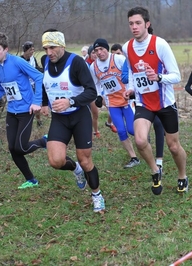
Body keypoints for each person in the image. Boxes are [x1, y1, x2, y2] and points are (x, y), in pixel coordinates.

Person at [122, 6, 188, 195]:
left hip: (165, 103)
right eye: (131, 24)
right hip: (144, 103)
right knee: (141, 140)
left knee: (174, 147)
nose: (134, 27)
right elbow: (133, 73)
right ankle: (155, 170)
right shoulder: (127, 47)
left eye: (138, 23)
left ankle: (182, 175)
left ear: (147, 24)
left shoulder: (160, 45)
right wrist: (131, 89)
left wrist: (159, 77)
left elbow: (176, 76)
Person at [40, 29, 105, 212]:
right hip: (59, 119)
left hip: (79, 116)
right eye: (45, 48)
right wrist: (44, 103)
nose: (49, 52)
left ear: (62, 45)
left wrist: (70, 101)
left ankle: (97, 195)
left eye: (52, 47)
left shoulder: (76, 62)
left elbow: (91, 91)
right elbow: (45, 83)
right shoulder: (45, 61)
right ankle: (76, 170)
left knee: (85, 161)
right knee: (56, 161)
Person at [0, 32, 47, 190]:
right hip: (11, 111)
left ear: (6, 49)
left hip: (26, 110)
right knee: (12, 148)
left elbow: (39, 77)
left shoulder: (18, 61)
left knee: (21, 147)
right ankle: (31, 180)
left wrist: (37, 101)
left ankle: (44, 141)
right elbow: (0, 89)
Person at [90, 38, 140, 168]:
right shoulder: (93, 66)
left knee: (132, 130)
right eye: (96, 51)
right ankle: (133, 157)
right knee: (121, 131)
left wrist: (131, 90)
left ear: (107, 48)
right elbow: (96, 84)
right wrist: (99, 96)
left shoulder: (118, 59)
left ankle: (145, 141)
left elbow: (130, 74)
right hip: (112, 103)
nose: (99, 52)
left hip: (127, 100)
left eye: (101, 49)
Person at [117, 41, 165, 170]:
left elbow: (164, 73)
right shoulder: (130, 58)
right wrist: (133, 82)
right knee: (142, 133)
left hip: (157, 98)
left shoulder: (156, 53)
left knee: (159, 125)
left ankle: (159, 159)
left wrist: (154, 75)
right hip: (141, 99)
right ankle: (148, 153)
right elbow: (125, 77)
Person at [21, 41, 43, 126]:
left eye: (33, 50)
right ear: (25, 50)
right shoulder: (21, 60)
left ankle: (39, 121)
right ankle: (26, 121)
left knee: (37, 103)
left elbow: (36, 68)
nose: (32, 52)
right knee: (27, 104)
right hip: (25, 86)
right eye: (30, 50)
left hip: (34, 84)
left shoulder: (33, 58)